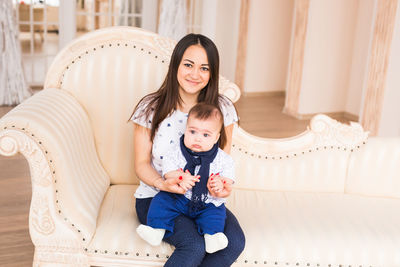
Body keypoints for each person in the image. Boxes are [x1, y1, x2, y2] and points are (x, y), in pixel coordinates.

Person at [130, 33, 245, 267]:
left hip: (202, 199)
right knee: (194, 245)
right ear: (176, 65)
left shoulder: (222, 109)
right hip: (158, 197)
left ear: (212, 73)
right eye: (188, 65)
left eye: (204, 68)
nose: (195, 74)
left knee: (234, 242)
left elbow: (221, 161)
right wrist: (163, 184)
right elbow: (141, 164)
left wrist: (221, 186)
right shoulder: (150, 107)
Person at [136, 103, 235, 254]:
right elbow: (168, 172)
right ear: (185, 130)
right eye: (192, 132)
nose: (198, 139)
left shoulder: (223, 159)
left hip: (206, 200)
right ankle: (156, 229)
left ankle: (212, 236)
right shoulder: (176, 152)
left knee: (216, 213)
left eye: (206, 135)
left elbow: (227, 182)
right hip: (179, 197)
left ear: (216, 138)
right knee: (162, 202)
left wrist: (220, 186)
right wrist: (180, 176)